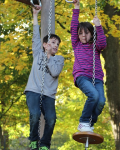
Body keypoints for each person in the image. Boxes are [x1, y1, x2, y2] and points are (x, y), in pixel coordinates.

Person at [24, 5, 64, 150]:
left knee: (51, 119)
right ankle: (34, 139)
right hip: (33, 90)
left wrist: (48, 57)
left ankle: (45, 144)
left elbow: (54, 72)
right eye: (53, 43)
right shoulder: (37, 52)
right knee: (34, 115)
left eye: (58, 44)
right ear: (45, 44)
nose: (56, 46)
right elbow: (35, 35)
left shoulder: (59, 59)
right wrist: (35, 15)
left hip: (49, 95)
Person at [71, 0, 107, 132]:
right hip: (82, 76)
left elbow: (103, 43)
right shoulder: (76, 44)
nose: (83, 36)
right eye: (81, 33)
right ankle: (83, 121)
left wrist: (98, 26)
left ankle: (90, 123)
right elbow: (74, 26)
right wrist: (76, 7)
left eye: (86, 33)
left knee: (101, 101)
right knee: (93, 95)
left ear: (92, 34)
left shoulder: (95, 46)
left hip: (97, 77)